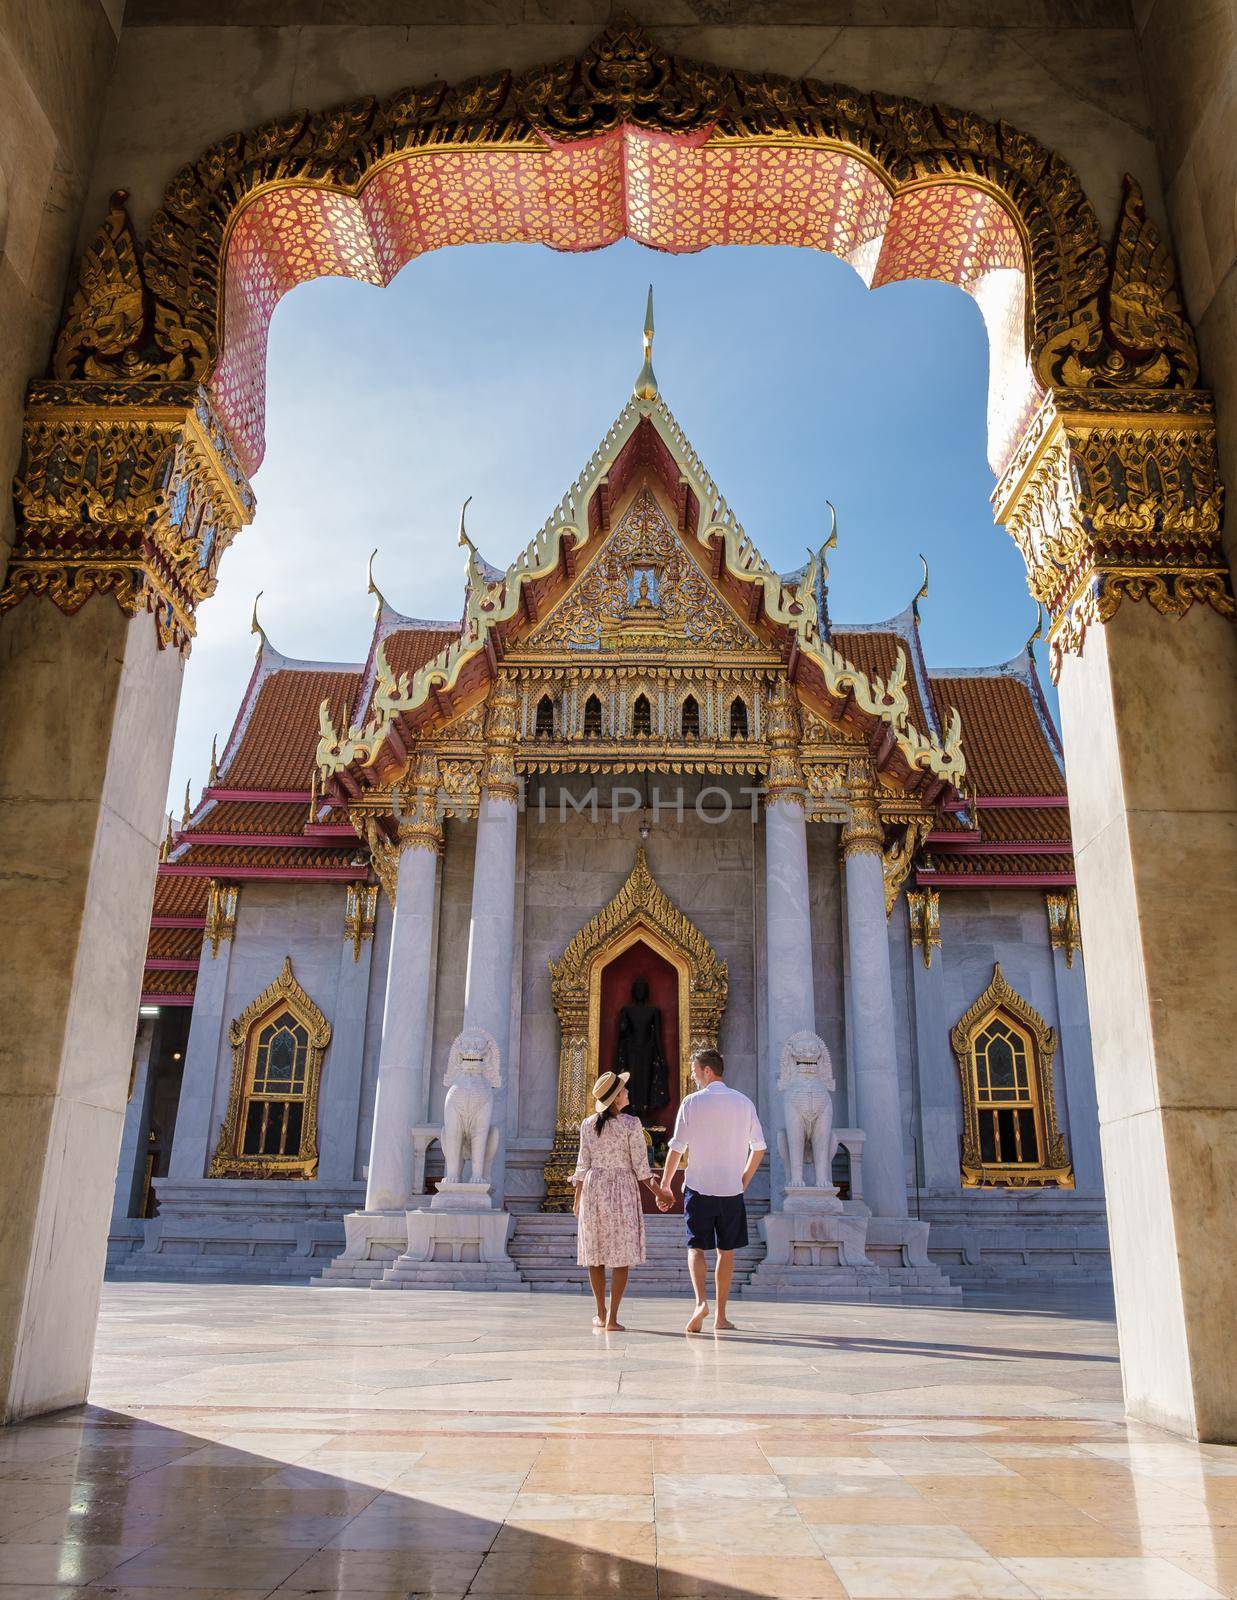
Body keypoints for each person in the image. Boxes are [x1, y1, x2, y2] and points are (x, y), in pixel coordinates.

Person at [655, 1047, 766, 1334]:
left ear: (707, 1071)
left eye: (694, 1072)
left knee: (696, 1248)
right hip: (731, 1190)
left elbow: (676, 1148)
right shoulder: (743, 1103)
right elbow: (759, 1148)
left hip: (698, 1186)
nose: (693, 1077)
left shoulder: (692, 1102)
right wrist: (743, 1179)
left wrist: (665, 1186)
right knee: (726, 1252)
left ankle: (701, 1302)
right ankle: (721, 1316)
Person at [572, 1070, 662, 1331]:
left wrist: (577, 1198)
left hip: (594, 1188)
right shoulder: (632, 1124)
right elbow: (642, 1169)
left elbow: (582, 1165)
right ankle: (612, 1318)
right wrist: (661, 1194)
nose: (627, 1093)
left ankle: (600, 1313)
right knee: (620, 1253)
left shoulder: (588, 1124)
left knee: (595, 1252)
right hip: (621, 1188)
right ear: (615, 1099)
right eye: (623, 1090)